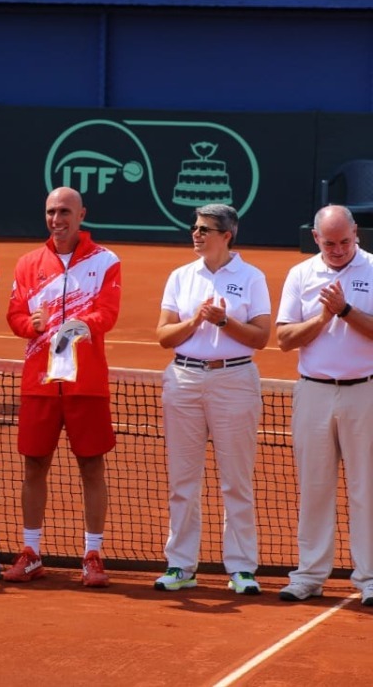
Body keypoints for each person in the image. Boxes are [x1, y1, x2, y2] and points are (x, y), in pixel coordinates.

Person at [3, 186, 121, 588]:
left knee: (92, 466)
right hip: (39, 384)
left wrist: (84, 325)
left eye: (65, 211)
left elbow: (108, 311)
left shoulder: (106, 261)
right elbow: (15, 314)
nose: (58, 219)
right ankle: (31, 552)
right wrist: (28, 325)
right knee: (34, 466)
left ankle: (92, 555)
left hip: (86, 384)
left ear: (81, 214)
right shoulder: (27, 263)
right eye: (51, 211)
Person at [154, 204, 270, 594]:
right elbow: (164, 335)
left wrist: (224, 321)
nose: (196, 234)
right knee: (182, 479)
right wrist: (197, 321)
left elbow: (261, 337)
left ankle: (241, 568)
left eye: (205, 229)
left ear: (226, 235)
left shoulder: (252, 278)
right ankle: (181, 565)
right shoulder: (180, 277)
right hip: (184, 379)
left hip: (235, 379)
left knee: (235, 479)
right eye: (195, 228)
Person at [275, 205, 373, 606]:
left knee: (366, 488)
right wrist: (323, 316)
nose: (337, 249)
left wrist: (345, 311)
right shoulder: (300, 275)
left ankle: (369, 578)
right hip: (313, 392)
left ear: (357, 235)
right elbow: (284, 338)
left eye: (344, 241)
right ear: (315, 238)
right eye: (329, 243)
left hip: (364, 391)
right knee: (314, 487)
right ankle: (310, 575)